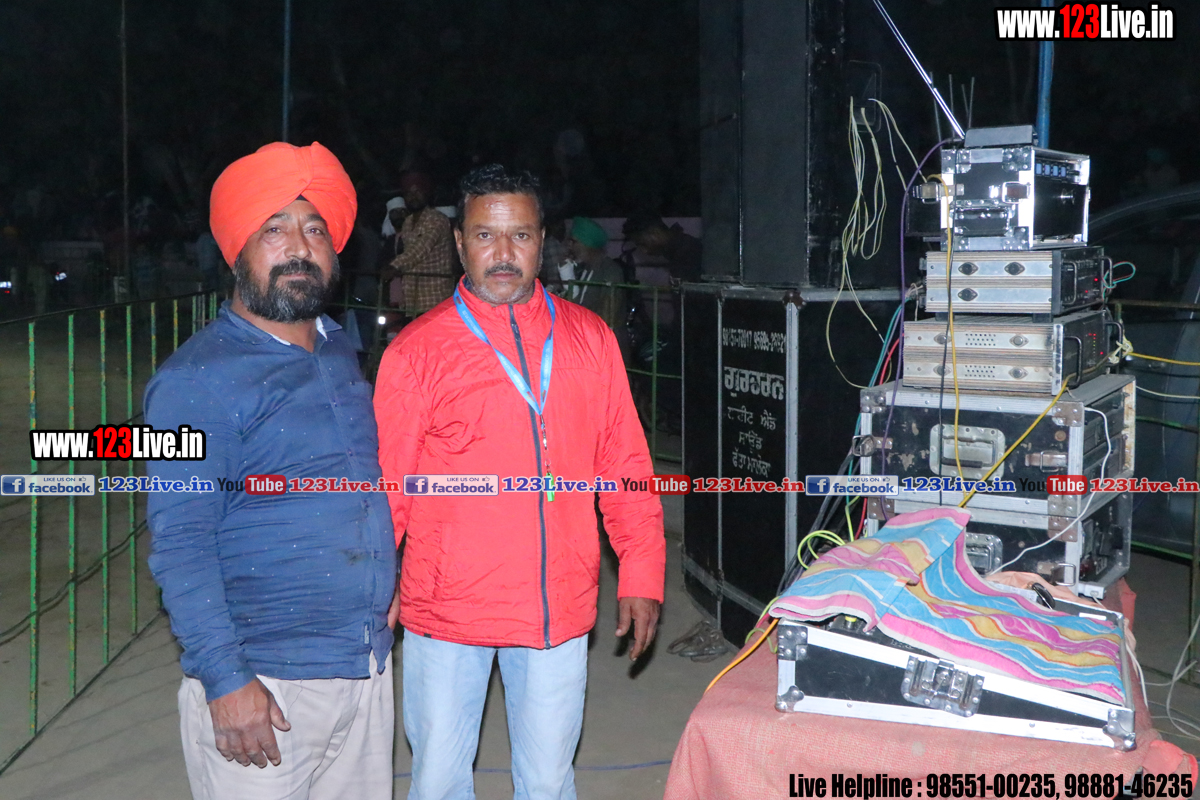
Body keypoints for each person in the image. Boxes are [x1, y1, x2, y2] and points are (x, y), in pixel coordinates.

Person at [374, 164, 665, 800]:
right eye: (485, 236)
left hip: (555, 603)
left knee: (548, 781)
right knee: (438, 781)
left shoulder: (589, 339)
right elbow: (388, 489)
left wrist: (641, 575)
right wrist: (373, 587)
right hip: (446, 610)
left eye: (521, 235)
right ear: (460, 243)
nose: (503, 254)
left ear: (543, 241)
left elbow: (625, 466)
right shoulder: (416, 351)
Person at [144, 142, 398, 800]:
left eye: (315, 230)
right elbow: (181, 541)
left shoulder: (339, 351)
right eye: (274, 229)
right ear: (238, 252)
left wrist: (385, 584)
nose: (299, 247)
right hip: (266, 684)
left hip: (364, 666)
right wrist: (225, 678)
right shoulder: (195, 381)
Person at [383, 171, 456, 317]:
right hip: (412, 298)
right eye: (409, 193)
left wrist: (394, 266)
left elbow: (420, 250)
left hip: (434, 297)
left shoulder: (437, 220)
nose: (413, 197)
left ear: (426, 192)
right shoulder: (408, 222)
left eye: (417, 192)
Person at [622, 213, 702, 283]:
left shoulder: (685, 252)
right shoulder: (682, 248)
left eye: (643, 244)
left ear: (655, 232)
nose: (644, 251)